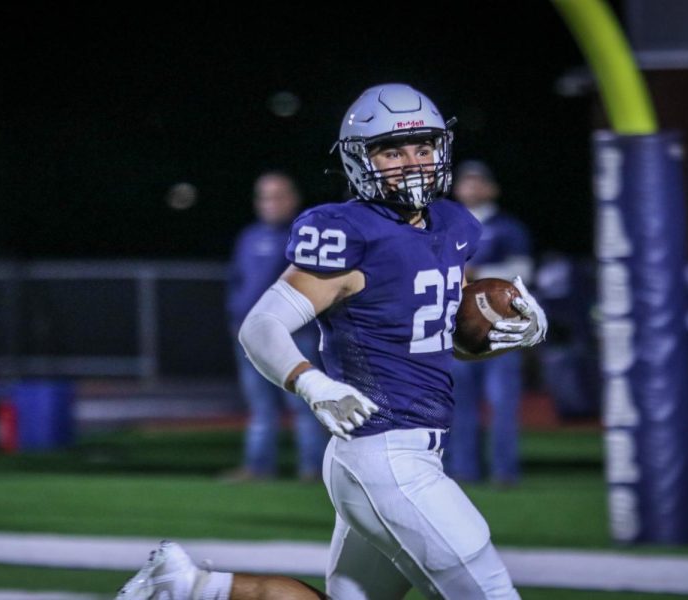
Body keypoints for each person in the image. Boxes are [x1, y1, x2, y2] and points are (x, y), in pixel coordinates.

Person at [117, 83, 547, 599]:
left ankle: (191, 586)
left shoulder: (453, 225)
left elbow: (421, 337)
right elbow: (261, 326)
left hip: (402, 453)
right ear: (360, 160)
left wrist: (503, 332)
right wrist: (311, 382)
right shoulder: (351, 233)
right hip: (385, 453)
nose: (412, 161)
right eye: (392, 151)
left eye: (423, 146)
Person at [224, 171, 328, 481]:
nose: (270, 203)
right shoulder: (249, 237)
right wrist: (235, 318)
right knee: (260, 409)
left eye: (277, 195)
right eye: (264, 196)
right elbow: (236, 282)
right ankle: (258, 468)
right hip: (252, 336)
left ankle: (314, 470)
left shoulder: (306, 236)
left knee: (304, 407)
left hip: (295, 335)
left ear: (293, 198)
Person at [445, 160, 534, 487]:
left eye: (478, 181)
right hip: (459, 330)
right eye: (466, 181)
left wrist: (477, 276)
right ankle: (462, 469)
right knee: (460, 405)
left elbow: (524, 274)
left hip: (501, 330)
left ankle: (504, 471)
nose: (472, 187)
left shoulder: (509, 228)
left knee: (501, 404)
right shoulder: (447, 228)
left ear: (492, 188)